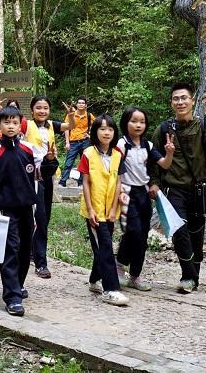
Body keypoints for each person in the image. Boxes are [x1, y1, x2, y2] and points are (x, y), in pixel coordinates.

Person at [149, 82, 206, 294]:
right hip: (173, 190)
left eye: (184, 98)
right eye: (176, 99)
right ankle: (188, 275)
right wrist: (153, 184)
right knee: (179, 230)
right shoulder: (163, 130)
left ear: (192, 100)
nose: (180, 102)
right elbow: (153, 160)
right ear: (171, 103)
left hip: (199, 189)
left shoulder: (204, 128)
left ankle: (194, 276)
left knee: (196, 233)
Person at [0, 104, 38, 317]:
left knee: (25, 250)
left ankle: (18, 285)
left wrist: (50, 161)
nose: (11, 126)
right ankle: (12, 297)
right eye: (6, 122)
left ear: (21, 124)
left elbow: (40, 174)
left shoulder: (29, 149)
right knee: (10, 250)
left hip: (27, 208)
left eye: (14, 122)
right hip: (5, 209)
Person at [77, 114, 129, 306]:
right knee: (106, 247)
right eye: (102, 128)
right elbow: (86, 183)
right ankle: (111, 289)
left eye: (110, 129)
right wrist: (90, 209)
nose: (106, 132)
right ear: (95, 132)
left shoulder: (117, 154)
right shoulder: (88, 153)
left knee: (102, 247)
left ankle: (93, 280)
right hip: (94, 211)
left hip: (110, 211)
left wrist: (115, 207)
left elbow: (118, 183)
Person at [115, 106, 159, 291]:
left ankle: (135, 275)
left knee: (142, 235)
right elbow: (115, 168)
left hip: (143, 193)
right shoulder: (121, 144)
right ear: (126, 123)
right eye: (134, 121)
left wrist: (170, 152)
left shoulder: (148, 145)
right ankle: (119, 265)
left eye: (142, 122)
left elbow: (162, 163)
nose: (138, 125)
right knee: (132, 231)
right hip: (126, 192)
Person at [26, 95, 64, 280]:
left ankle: (34, 252)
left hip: (47, 172)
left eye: (45, 108)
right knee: (39, 217)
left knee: (45, 216)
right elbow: (9, 126)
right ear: (32, 110)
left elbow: (69, 126)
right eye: (38, 108)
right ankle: (41, 262)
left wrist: (73, 114)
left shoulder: (50, 126)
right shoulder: (26, 125)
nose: (42, 111)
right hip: (31, 176)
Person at [59, 97, 95, 188]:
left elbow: (97, 127)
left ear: (86, 105)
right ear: (77, 104)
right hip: (73, 141)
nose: (81, 104)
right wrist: (67, 142)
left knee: (84, 162)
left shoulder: (89, 116)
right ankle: (63, 181)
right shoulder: (71, 115)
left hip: (85, 141)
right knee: (69, 162)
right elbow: (66, 128)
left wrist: (90, 135)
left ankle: (81, 182)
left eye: (83, 103)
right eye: (79, 103)